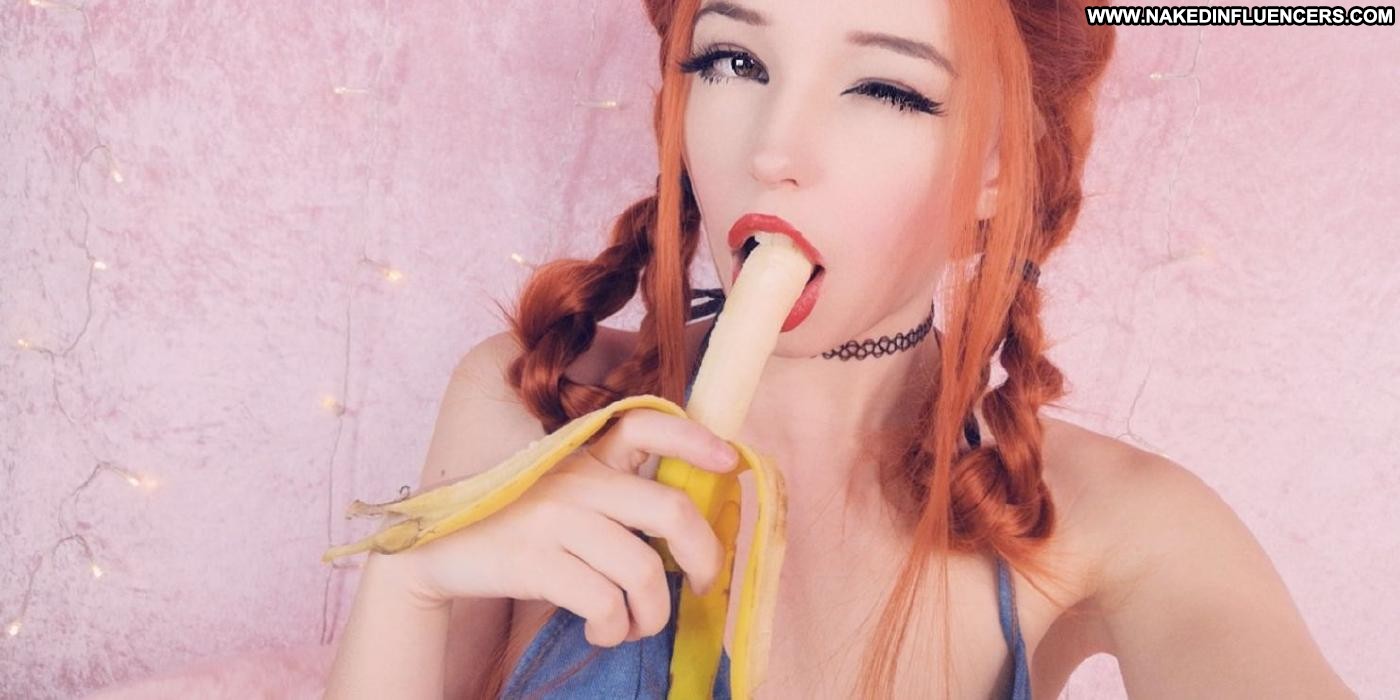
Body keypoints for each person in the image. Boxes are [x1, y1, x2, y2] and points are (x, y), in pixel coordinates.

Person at [324, 0, 1356, 698]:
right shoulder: (524, 405)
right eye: (733, 60)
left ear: (999, 167)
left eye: (887, 89)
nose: (774, 148)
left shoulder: (1116, 523)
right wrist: (410, 587)